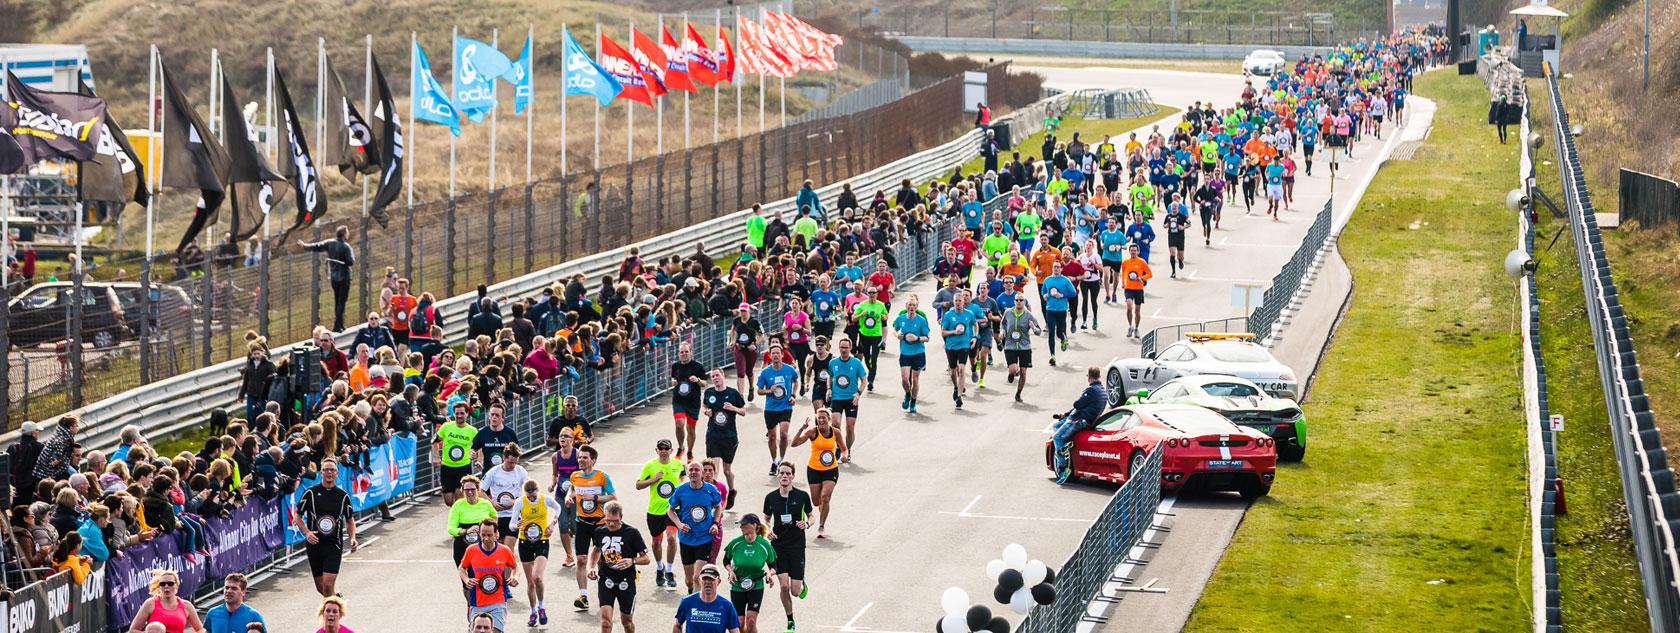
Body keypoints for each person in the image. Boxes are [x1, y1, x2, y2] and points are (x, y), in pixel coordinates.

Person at [763, 462, 814, 633]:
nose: (784, 476)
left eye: (788, 473)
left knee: (795, 591)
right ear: (778, 476)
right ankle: (790, 621)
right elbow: (766, 519)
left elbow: (811, 515)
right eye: (781, 473)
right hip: (778, 545)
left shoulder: (802, 496)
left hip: (797, 545)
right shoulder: (770, 497)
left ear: (793, 476)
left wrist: (806, 524)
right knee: (783, 585)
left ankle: (801, 584)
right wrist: (767, 531)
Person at [569, 445, 617, 612]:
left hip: (600, 523)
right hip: (581, 522)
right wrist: (569, 496)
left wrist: (596, 497)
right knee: (581, 559)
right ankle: (583, 596)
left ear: (593, 460)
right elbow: (573, 489)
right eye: (579, 457)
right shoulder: (575, 476)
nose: (581, 460)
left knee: (604, 560)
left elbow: (613, 497)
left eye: (584, 458)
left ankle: (607, 591)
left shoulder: (602, 477)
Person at [299, 458, 356, 597]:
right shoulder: (310, 493)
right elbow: (297, 516)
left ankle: (331, 616)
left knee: (328, 585)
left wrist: (353, 538)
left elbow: (349, 520)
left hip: (333, 545)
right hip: (314, 544)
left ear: (337, 473)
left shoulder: (343, 496)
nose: (329, 473)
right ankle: (337, 601)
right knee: (322, 589)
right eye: (326, 470)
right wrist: (307, 532)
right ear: (321, 472)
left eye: (332, 470)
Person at [591, 500, 650, 633]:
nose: (611, 523)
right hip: (606, 580)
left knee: (626, 622)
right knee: (605, 623)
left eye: (615, 520)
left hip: (626, 582)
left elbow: (646, 559)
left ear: (621, 517)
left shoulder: (632, 533)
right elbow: (596, 550)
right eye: (608, 520)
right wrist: (591, 567)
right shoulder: (599, 531)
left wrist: (632, 561)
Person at [668, 459, 724, 593]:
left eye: (697, 470)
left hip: (704, 538)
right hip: (686, 538)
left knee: (697, 577)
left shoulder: (711, 490)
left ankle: (696, 606)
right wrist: (679, 524)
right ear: (687, 472)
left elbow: (718, 507)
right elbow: (670, 510)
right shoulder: (681, 490)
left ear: (702, 473)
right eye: (691, 470)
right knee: (689, 581)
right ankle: (690, 592)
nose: (693, 472)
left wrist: (715, 524)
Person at [637, 439, 687, 589]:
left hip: (672, 510)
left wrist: (682, 487)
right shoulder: (650, 465)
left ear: (671, 451)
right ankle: (660, 568)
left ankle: (670, 571)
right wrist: (654, 479)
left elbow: (683, 478)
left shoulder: (677, 464)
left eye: (667, 448)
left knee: (672, 539)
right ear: (656, 450)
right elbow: (638, 485)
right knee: (656, 542)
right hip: (655, 511)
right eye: (661, 448)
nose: (664, 450)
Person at [513, 479, 562, 626]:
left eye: (533, 494)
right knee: (530, 583)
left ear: (537, 490)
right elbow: (512, 524)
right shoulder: (520, 502)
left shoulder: (545, 499)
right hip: (524, 542)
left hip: (541, 540)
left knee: (537, 578)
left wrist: (553, 523)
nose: (531, 498)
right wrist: (517, 525)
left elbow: (558, 508)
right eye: (528, 495)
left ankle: (542, 607)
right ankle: (533, 611)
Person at [789, 410, 844, 540]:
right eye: (819, 418)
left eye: (823, 418)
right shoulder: (813, 432)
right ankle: (822, 506)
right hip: (814, 469)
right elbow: (794, 444)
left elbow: (843, 448)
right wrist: (801, 429)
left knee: (826, 497)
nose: (821, 420)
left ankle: (821, 526)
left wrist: (844, 455)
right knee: (815, 502)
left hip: (831, 469)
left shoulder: (835, 432)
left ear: (828, 418)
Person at [459, 518, 519, 632]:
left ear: (497, 534)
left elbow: (515, 567)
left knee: (495, 631)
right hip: (477, 602)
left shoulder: (504, 550)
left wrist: (515, 577)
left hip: (498, 601)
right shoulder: (471, 550)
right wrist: (466, 579)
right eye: (483, 535)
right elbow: (461, 568)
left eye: (490, 535)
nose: (486, 538)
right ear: (479, 534)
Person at [1052, 367, 1110, 485]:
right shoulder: (1102, 390)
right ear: (1099, 376)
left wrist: (1071, 413)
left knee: (1056, 437)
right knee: (1057, 425)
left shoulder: (1091, 390)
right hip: (1079, 418)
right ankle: (1064, 446)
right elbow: (1079, 407)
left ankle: (1063, 468)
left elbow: (1077, 404)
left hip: (1077, 420)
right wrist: (1065, 415)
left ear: (1089, 376)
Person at [722, 515, 778, 633]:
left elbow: (774, 566)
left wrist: (769, 574)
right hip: (738, 585)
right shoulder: (735, 543)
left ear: (754, 526)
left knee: (751, 621)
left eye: (744, 524)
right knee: (740, 623)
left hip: (756, 585)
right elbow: (726, 561)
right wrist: (730, 571)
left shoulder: (764, 544)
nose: (741, 527)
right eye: (741, 524)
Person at [299, 226, 357, 331]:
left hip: (334, 277)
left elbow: (317, 246)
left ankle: (340, 324)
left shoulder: (330, 243)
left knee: (337, 300)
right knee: (341, 302)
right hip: (344, 278)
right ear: (344, 234)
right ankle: (337, 325)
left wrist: (304, 246)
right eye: (347, 232)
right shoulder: (346, 247)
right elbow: (350, 262)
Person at [702, 368, 745, 508]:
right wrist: (706, 411)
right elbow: (704, 406)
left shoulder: (733, 393)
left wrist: (733, 408)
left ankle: (731, 491)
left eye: (717, 375)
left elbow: (743, 411)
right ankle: (715, 502)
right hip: (713, 435)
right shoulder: (709, 393)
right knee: (713, 469)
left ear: (723, 375)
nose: (715, 378)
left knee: (727, 471)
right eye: (712, 376)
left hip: (729, 437)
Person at [755, 344, 800, 476]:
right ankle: (774, 461)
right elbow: (759, 390)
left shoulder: (789, 369)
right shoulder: (765, 372)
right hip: (770, 408)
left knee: (784, 435)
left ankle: (781, 459)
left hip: (785, 406)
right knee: (772, 437)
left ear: (782, 355)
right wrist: (770, 390)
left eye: (777, 353)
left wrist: (793, 395)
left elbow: (796, 381)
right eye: (773, 353)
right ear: (769, 355)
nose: (775, 355)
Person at [824, 338, 867, 463]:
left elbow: (864, 380)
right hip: (837, 397)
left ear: (850, 348)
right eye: (841, 347)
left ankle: (848, 449)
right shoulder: (833, 362)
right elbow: (830, 376)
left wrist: (858, 394)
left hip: (851, 399)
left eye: (846, 347)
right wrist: (828, 389)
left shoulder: (856, 363)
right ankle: (839, 447)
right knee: (835, 424)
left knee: (850, 427)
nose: (843, 350)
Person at [128, 569, 207, 633]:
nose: (166, 586)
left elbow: (201, 629)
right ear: (159, 586)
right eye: (162, 584)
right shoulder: (150, 603)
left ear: (177, 585)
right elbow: (133, 630)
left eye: (170, 583)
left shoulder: (186, 605)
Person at [483, 444, 530, 548]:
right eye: (510, 462)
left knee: (508, 547)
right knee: (498, 547)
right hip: (497, 515)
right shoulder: (493, 472)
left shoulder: (521, 471)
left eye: (515, 462)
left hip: (513, 515)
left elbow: (529, 490)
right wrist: (492, 502)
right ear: (504, 457)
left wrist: (516, 501)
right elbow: (480, 490)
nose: (512, 465)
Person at [999, 297, 1044, 403]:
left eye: (1021, 300)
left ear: (1024, 302)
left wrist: (1033, 328)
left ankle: (1018, 393)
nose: (1019, 302)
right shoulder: (1008, 312)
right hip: (1010, 345)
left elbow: (1039, 332)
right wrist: (1002, 331)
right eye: (1017, 300)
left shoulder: (1029, 315)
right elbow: (1003, 323)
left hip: (1024, 347)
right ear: (1014, 302)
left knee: (1023, 373)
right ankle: (1012, 373)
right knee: (1013, 369)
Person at [673, 564, 742, 633]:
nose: (708, 582)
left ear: (718, 581)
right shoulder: (687, 602)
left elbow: (735, 631)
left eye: (711, 579)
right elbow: (677, 625)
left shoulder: (727, 606)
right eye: (704, 578)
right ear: (700, 581)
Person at [891, 294, 931, 413]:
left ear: (917, 306)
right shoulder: (901, 318)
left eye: (914, 305)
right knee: (904, 379)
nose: (912, 307)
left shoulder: (921, 320)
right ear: (906, 306)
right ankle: (908, 394)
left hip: (918, 353)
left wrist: (917, 338)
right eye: (909, 304)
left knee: (915, 379)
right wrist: (896, 335)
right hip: (905, 353)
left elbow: (927, 337)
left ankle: (913, 401)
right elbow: (894, 328)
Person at [435, 402, 479, 507]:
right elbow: (434, 441)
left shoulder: (472, 430)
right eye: (457, 413)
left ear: (467, 414)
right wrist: (436, 457)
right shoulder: (446, 426)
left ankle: (459, 520)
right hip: (447, 467)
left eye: (462, 413)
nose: (459, 416)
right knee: (449, 501)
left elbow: (479, 447)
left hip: (463, 467)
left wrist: (475, 456)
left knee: (459, 499)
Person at [447, 475, 497, 568]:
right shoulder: (458, 505)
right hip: (463, 545)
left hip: (484, 544)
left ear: (478, 489)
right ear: (463, 491)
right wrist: (466, 531)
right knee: (467, 580)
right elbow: (451, 528)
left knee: (484, 577)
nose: (470, 492)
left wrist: (487, 530)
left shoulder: (485, 503)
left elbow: (494, 517)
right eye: (466, 490)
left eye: (473, 489)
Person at [940, 290, 978, 408]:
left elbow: (975, 324)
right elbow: (943, 332)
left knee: (961, 369)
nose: (958, 303)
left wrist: (975, 337)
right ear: (953, 302)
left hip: (964, 345)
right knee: (953, 371)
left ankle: (960, 396)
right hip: (951, 346)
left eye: (960, 301)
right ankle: (956, 387)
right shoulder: (948, 315)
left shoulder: (969, 313)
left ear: (963, 302)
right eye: (955, 301)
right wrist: (954, 332)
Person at [550, 429, 583, 567]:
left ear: (572, 440)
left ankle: (577, 540)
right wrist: (552, 484)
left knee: (575, 527)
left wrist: (574, 490)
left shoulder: (577, 455)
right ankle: (569, 556)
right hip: (560, 495)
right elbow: (555, 474)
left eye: (566, 436)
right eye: (560, 436)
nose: (562, 438)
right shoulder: (555, 456)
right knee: (563, 526)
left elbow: (584, 473)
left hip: (576, 494)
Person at [671, 342, 708, 462]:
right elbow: (673, 378)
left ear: (691, 352)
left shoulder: (698, 366)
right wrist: (673, 382)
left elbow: (705, 383)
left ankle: (690, 452)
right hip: (679, 401)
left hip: (693, 402)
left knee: (690, 429)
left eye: (686, 352)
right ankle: (681, 447)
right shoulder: (675, 366)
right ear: (678, 354)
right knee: (679, 424)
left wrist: (697, 380)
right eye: (682, 352)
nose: (684, 354)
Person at [849, 287, 888, 391]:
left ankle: (870, 381)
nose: (871, 294)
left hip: (876, 335)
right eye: (870, 292)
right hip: (864, 335)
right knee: (867, 358)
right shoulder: (862, 305)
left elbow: (885, 315)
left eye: (873, 292)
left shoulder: (881, 305)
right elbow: (853, 318)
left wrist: (885, 317)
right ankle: (871, 371)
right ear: (867, 294)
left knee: (874, 358)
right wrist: (862, 314)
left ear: (876, 294)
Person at [1040, 262, 1076, 366]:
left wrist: (1063, 295)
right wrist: (1045, 296)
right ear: (1052, 268)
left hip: (1061, 310)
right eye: (1054, 267)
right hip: (1050, 309)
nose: (1056, 269)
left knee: (1060, 332)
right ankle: (1052, 356)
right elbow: (1043, 291)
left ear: (1061, 269)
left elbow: (1073, 293)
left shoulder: (1065, 280)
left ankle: (1063, 339)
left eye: (1058, 267)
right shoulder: (1047, 280)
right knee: (1051, 332)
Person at [729, 305, 762, 401]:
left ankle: (751, 388)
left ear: (749, 311)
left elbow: (762, 336)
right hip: (739, 348)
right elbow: (733, 330)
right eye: (741, 311)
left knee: (749, 371)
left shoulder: (754, 322)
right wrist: (731, 341)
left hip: (750, 350)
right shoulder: (736, 321)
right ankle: (741, 395)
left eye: (745, 311)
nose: (743, 313)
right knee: (740, 372)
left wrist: (755, 344)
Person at [1120, 243, 1152, 339]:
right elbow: (1123, 272)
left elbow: (1150, 274)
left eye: (1135, 250)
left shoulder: (1142, 262)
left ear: (1138, 251)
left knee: (1137, 311)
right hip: (1129, 288)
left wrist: (1142, 278)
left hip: (1139, 289)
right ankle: (1130, 326)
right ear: (1129, 251)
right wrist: (1123, 283)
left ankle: (1136, 328)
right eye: (1131, 250)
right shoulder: (1125, 262)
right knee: (1129, 307)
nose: (1133, 252)